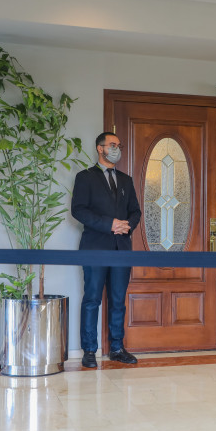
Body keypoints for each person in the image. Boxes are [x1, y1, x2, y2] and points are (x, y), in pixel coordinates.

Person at [71, 132, 141, 366]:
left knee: (118, 300)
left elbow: (135, 211)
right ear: (100, 148)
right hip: (94, 247)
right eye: (112, 145)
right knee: (92, 299)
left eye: (119, 145)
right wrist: (109, 224)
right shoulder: (85, 177)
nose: (117, 149)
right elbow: (79, 210)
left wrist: (126, 226)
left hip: (122, 248)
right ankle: (89, 350)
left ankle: (117, 348)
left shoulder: (126, 180)